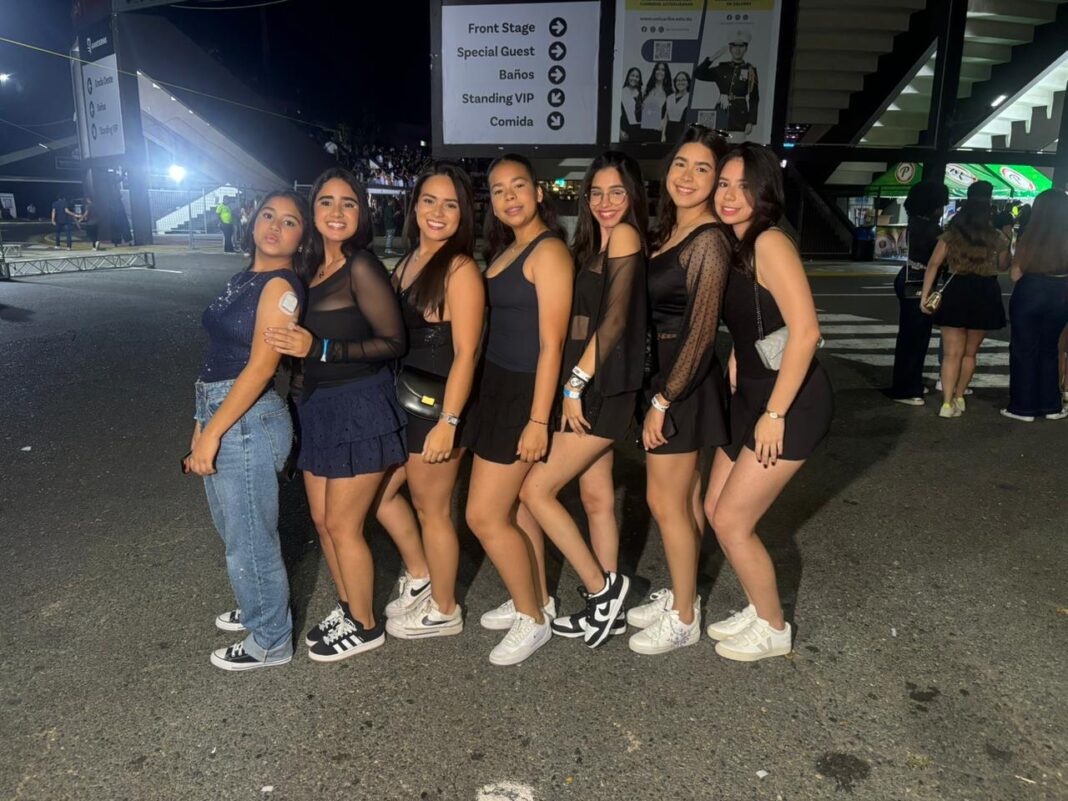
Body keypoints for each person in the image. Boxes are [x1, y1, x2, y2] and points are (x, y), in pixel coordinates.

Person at [264, 167, 407, 662]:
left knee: (345, 526)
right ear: (313, 210)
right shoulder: (309, 269)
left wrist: (321, 348)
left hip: (359, 406)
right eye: (326, 201)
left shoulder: (360, 266)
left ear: (362, 212)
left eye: (348, 203)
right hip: (317, 408)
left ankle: (366, 626)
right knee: (323, 521)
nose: (337, 212)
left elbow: (393, 341)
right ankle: (349, 607)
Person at [703, 143, 832, 662]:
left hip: (789, 403)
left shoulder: (770, 242)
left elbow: (806, 332)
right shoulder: (736, 243)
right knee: (714, 508)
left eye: (744, 186)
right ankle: (761, 606)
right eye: (724, 184)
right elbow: (757, 313)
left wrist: (775, 414)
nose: (730, 196)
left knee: (732, 522)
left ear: (765, 194)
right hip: (753, 393)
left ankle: (774, 627)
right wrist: (738, 352)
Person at [518, 151, 648, 649]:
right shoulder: (594, 243)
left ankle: (603, 591)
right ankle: (607, 612)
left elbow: (613, 322)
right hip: (587, 381)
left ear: (632, 196)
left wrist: (573, 385)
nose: (605, 202)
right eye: (596, 192)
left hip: (600, 388)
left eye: (617, 192)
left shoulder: (626, 237)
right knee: (596, 499)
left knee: (536, 491)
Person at [184, 190, 310, 670]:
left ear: (302, 238)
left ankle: (271, 640)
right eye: (268, 215)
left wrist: (213, 433)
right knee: (234, 529)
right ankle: (260, 603)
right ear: (253, 221)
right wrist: (200, 423)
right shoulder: (245, 277)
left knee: (251, 538)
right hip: (221, 410)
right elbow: (215, 357)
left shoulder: (280, 287)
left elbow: (260, 369)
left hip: (247, 420)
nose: (275, 226)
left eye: (290, 222)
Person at [463, 153, 573, 665]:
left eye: (519, 186)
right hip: (497, 384)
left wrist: (537, 420)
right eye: (499, 190)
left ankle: (532, 620)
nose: (510, 197)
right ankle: (538, 598)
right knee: (516, 509)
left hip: (524, 393)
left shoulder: (549, 251)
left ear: (539, 192)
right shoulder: (510, 247)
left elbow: (553, 345)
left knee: (483, 515)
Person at [628, 125, 731, 655]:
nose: (687, 177)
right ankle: (683, 591)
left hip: (681, 381)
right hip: (670, 374)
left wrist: (663, 400)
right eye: (681, 165)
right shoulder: (674, 229)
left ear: (718, 179)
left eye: (703, 168)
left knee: (664, 500)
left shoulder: (708, 239)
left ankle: (685, 617)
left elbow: (701, 330)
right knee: (685, 498)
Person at [374, 162, 486, 639]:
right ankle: (421, 575)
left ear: (464, 214)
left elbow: (467, 354)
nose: (438, 212)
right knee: (379, 494)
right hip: (405, 401)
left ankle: (445, 609)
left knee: (432, 510)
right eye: (429, 201)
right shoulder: (406, 262)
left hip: (438, 407)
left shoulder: (460, 269)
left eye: (450, 204)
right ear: (414, 205)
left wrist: (449, 422)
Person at [921, 181, 1010, 417]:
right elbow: (1004, 266)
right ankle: (960, 396)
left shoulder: (951, 235)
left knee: (951, 354)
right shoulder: (997, 237)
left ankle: (946, 403)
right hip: (985, 292)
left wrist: (926, 295)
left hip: (956, 290)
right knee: (970, 354)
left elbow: (933, 264)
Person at [1001, 189, 1068, 422]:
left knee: (1023, 350)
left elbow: (1015, 274)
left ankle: (1022, 407)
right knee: (1050, 349)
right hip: (1061, 294)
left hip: (1030, 292)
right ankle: (1051, 406)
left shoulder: (1030, 236)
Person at [888, 181, 948, 405]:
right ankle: (907, 389)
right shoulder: (933, 231)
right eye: (940, 205)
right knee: (916, 337)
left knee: (910, 336)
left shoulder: (913, 224)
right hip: (918, 283)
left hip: (907, 278)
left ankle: (908, 383)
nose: (942, 209)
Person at [694, 30, 759, 135]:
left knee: (736, 143)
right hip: (721, 112)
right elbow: (698, 74)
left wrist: (751, 121)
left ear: (746, 49)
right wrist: (712, 58)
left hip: (740, 116)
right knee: (716, 142)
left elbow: (754, 98)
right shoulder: (722, 68)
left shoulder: (750, 70)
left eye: (741, 46)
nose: (737, 50)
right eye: (734, 46)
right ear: (730, 49)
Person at [640, 62, 672, 143]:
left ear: (666, 73)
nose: (660, 72)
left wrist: (663, 134)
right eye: (658, 69)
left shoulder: (669, 93)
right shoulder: (647, 90)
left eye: (663, 70)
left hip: (658, 133)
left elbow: (667, 115)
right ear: (654, 71)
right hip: (644, 131)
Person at [662, 71, 691, 144]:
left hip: (682, 131)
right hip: (669, 130)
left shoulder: (690, 98)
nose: (680, 82)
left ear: (688, 82)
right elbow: (666, 117)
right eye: (678, 80)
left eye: (683, 80)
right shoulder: (670, 97)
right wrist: (663, 134)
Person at [619, 67, 643, 143]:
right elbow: (615, 115)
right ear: (628, 76)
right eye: (632, 75)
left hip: (639, 130)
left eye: (637, 77)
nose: (634, 78)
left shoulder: (641, 94)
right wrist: (620, 131)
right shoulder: (621, 93)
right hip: (625, 131)